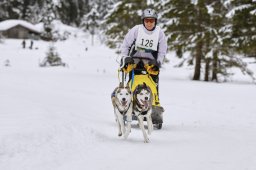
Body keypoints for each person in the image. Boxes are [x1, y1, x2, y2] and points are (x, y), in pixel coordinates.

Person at [120, 8, 167, 109]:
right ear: (143, 21)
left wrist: (158, 63)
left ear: (155, 21)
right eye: (147, 20)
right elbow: (125, 45)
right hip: (135, 60)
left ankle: (154, 105)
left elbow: (162, 51)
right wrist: (125, 58)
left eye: (152, 21)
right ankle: (129, 103)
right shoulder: (136, 30)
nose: (149, 23)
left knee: (153, 84)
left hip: (150, 62)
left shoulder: (160, 33)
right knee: (133, 82)